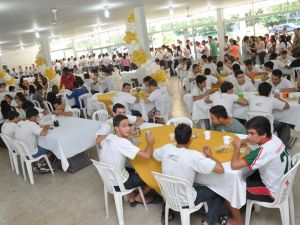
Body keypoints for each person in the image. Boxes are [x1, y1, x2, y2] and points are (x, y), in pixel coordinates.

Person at [223, 116, 291, 225]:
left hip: (272, 191)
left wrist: (236, 148)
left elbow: (234, 165)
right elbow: (252, 140)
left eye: (252, 133)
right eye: (248, 133)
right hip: (282, 182)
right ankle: (243, 204)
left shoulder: (263, 151)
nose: (248, 136)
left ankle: (238, 222)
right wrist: (244, 140)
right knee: (247, 174)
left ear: (263, 134)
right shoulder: (274, 138)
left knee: (230, 190)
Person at [153, 124, 224, 225]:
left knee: (180, 181)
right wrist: (210, 156)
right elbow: (221, 169)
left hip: (168, 196)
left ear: (175, 137)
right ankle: (208, 221)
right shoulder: (194, 155)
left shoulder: (167, 148)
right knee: (221, 191)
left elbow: (155, 154)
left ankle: (166, 213)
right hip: (186, 200)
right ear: (191, 138)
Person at [99, 114, 154, 205]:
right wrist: (150, 143)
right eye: (124, 126)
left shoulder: (109, 137)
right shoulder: (122, 142)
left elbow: (103, 144)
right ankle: (139, 197)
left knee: (133, 168)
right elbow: (147, 156)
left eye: (128, 125)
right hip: (119, 183)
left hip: (107, 178)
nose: (128, 128)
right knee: (150, 174)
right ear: (116, 128)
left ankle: (131, 196)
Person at [248, 81, 290, 146]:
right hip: (266, 129)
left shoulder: (251, 98)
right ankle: (283, 145)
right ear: (270, 92)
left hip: (252, 127)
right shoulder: (272, 100)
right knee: (284, 123)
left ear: (258, 91)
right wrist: (278, 97)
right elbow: (287, 106)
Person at [15, 107, 53, 173]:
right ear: (32, 116)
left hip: (21, 152)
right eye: (37, 116)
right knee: (51, 148)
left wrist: (40, 126)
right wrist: (47, 126)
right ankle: (39, 165)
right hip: (30, 153)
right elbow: (44, 133)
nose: (37, 118)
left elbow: (31, 130)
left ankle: (41, 162)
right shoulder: (31, 124)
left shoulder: (19, 123)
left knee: (41, 144)